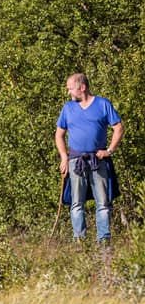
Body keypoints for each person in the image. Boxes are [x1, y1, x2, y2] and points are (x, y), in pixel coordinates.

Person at [55, 73, 123, 243]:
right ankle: (80, 243)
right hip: (75, 161)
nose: (69, 92)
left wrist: (110, 150)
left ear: (82, 87)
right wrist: (64, 157)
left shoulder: (103, 104)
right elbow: (59, 135)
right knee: (76, 204)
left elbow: (119, 128)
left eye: (71, 88)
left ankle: (104, 243)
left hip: (98, 161)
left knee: (103, 203)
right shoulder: (68, 108)